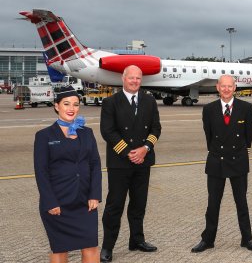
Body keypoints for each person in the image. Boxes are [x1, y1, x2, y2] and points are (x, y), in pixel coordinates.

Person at [99, 65, 161, 262]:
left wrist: (145, 149)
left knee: (138, 204)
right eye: (131, 78)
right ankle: (107, 247)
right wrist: (129, 152)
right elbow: (107, 131)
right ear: (123, 79)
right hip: (120, 163)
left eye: (138, 78)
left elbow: (156, 128)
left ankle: (137, 240)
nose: (135, 81)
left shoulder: (150, 101)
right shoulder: (110, 102)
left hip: (143, 161)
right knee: (114, 206)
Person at [191, 75, 252, 253]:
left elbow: (248, 135)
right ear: (217, 87)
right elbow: (209, 135)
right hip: (216, 161)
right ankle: (207, 240)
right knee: (213, 204)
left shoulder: (246, 107)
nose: (227, 89)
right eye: (223, 86)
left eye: (230, 86)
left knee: (241, 202)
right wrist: (217, 152)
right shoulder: (209, 109)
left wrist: (241, 153)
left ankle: (247, 239)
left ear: (235, 87)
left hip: (238, 160)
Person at [34, 86, 102, 263]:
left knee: (91, 246)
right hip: (58, 202)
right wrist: (50, 201)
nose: (71, 108)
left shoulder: (87, 132)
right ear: (57, 106)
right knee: (60, 249)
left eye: (75, 104)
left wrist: (95, 194)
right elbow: (41, 172)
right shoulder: (44, 136)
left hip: (85, 201)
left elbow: (95, 164)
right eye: (66, 104)